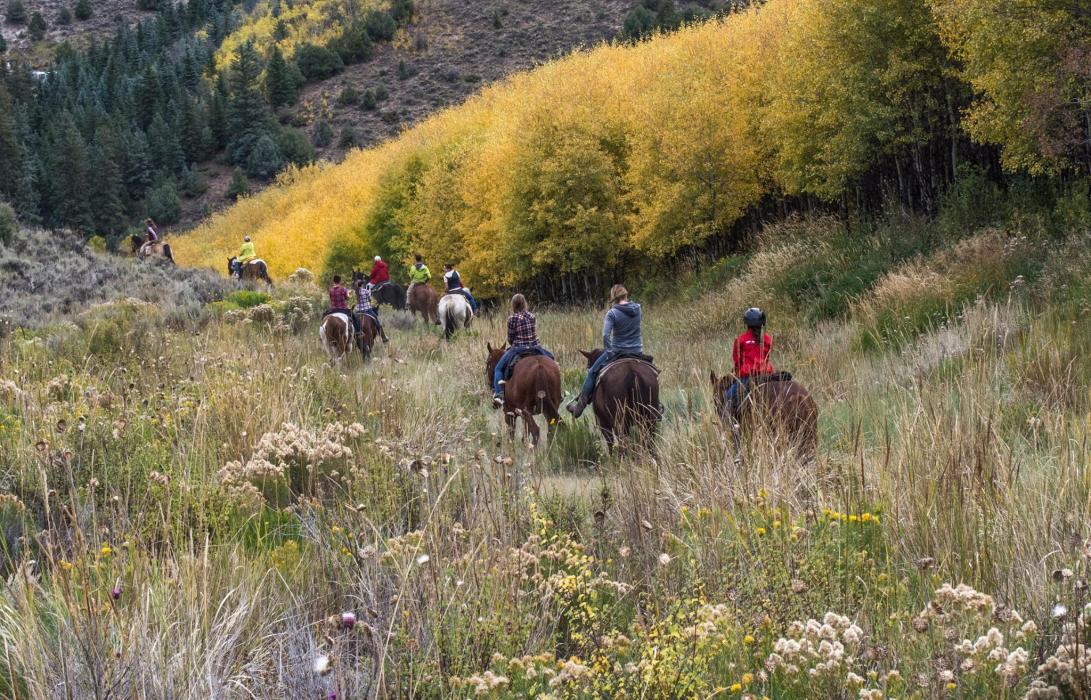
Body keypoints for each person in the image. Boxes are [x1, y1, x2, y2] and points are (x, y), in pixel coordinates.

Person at [567, 285, 643, 418]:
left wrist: (610, 350)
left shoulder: (612, 313)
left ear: (614, 298)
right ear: (626, 295)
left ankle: (579, 407)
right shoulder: (638, 309)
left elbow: (605, 336)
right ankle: (656, 405)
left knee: (592, 372)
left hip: (617, 351)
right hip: (637, 351)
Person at [492, 294, 554, 407]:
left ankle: (499, 394)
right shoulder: (532, 316)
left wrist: (515, 343)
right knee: (552, 360)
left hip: (519, 348)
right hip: (536, 347)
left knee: (498, 369)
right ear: (525, 303)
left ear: (513, 305)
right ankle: (558, 390)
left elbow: (510, 338)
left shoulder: (512, 319)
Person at [724, 307, 775, 425]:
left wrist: (738, 371)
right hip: (768, 376)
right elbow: (767, 357)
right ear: (762, 324)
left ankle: (732, 425)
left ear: (747, 324)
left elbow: (737, 361)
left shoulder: (741, 340)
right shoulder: (767, 339)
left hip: (748, 378)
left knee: (728, 397)